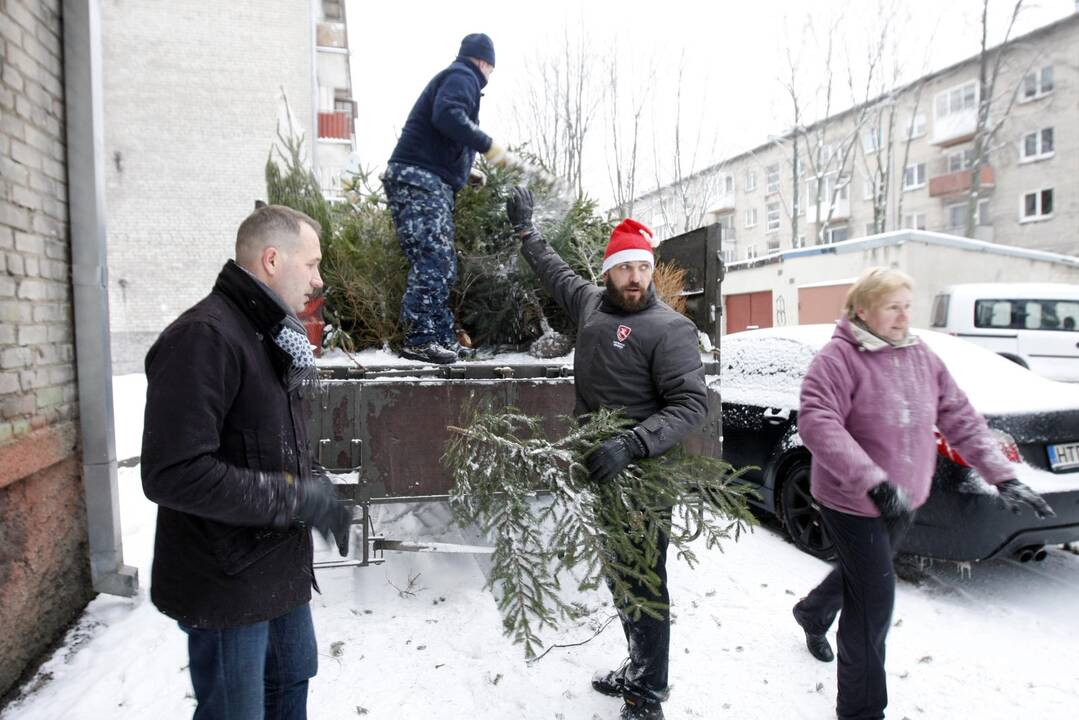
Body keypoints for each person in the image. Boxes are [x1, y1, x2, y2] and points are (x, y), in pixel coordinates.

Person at [792, 266, 1054, 720]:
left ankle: (812, 614)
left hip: (904, 499)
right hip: (852, 500)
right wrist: (872, 480)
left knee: (862, 577)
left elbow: (960, 417)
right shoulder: (838, 358)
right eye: (892, 307)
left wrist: (1003, 475)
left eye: (907, 306)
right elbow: (817, 423)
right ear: (862, 310)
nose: (902, 317)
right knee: (873, 601)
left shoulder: (920, 356)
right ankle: (862, 711)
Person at [141, 204, 353, 720]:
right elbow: (174, 471)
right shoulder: (205, 336)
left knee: (291, 686)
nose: (318, 280)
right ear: (273, 259)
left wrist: (314, 484)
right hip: (227, 583)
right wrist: (295, 497)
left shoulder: (268, 333)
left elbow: (263, 439)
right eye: (313, 265)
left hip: (277, 570)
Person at [505, 187, 707, 720]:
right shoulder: (591, 304)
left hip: (644, 476)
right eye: (626, 268)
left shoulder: (671, 328)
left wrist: (633, 442)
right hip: (604, 474)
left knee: (645, 583)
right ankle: (639, 667)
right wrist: (526, 233)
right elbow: (555, 272)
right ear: (610, 272)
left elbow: (692, 404)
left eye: (644, 267)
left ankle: (648, 695)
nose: (637, 277)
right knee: (622, 577)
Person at [384, 32, 517, 364]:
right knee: (433, 260)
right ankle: (420, 338)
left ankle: (440, 335)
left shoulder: (459, 77)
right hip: (419, 180)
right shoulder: (464, 76)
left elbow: (442, 132)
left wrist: (465, 172)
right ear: (486, 62)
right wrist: (487, 145)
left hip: (427, 178)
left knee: (441, 263)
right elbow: (447, 116)